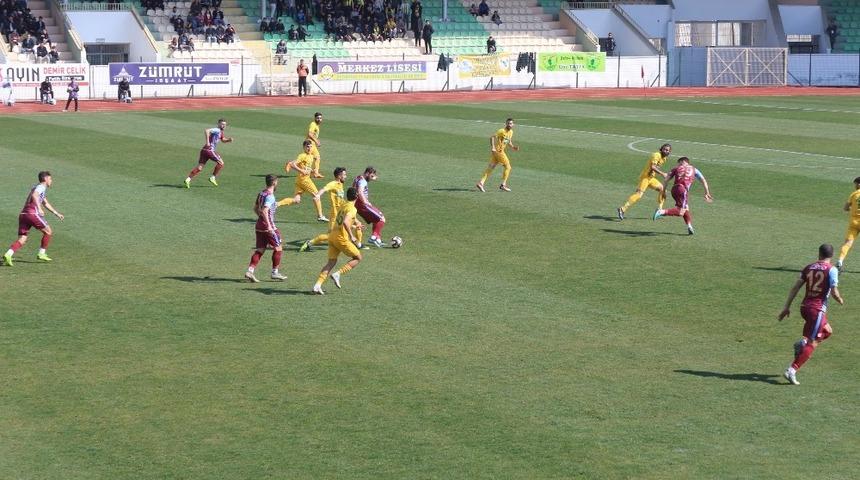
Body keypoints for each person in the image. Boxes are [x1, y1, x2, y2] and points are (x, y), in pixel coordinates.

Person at [778, 243, 843, 385]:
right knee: (813, 342)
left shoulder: (808, 267)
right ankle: (792, 370)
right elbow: (834, 291)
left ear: (819, 254)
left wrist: (786, 307)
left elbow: (795, 287)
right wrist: (840, 299)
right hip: (817, 310)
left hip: (805, 308)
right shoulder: (832, 269)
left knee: (828, 332)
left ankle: (801, 344)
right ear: (831, 256)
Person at [3, 171, 64, 266]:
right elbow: (35, 195)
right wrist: (39, 209)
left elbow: (45, 203)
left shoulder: (37, 187)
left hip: (23, 214)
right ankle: (41, 253)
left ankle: (8, 254)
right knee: (48, 232)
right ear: (46, 179)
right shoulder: (41, 187)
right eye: (50, 179)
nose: (51, 181)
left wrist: (56, 213)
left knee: (23, 238)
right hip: (32, 213)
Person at [312, 187, 363, 294]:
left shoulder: (343, 205)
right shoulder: (353, 209)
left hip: (332, 236)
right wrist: (352, 236)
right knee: (358, 258)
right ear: (357, 197)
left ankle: (317, 285)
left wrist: (355, 224)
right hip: (341, 238)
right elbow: (345, 222)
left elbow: (344, 220)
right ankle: (338, 274)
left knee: (331, 262)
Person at [300, 167, 365, 251]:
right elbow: (324, 189)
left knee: (358, 225)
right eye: (344, 175)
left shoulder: (340, 184)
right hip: (335, 215)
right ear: (339, 176)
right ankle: (309, 243)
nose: (345, 176)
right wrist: (318, 195)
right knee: (330, 235)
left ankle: (358, 244)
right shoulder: (333, 184)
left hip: (344, 211)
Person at [652, 157, 712, 235]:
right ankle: (661, 211)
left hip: (674, 190)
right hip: (682, 190)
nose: (679, 164)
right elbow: (703, 180)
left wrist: (663, 191)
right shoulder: (694, 169)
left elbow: (666, 179)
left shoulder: (675, 168)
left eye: (679, 162)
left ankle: (689, 226)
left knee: (686, 208)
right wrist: (707, 192)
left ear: (682, 161)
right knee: (680, 211)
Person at [244, 174, 288, 282]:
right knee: (278, 248)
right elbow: (264, 210)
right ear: (274, 183)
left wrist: (261, 219)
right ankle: (275, 273)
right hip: (268, 227)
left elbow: (255, 208)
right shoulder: (270, 196)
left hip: (259, 225)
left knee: (260, 250)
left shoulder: (261, 193)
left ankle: (250, 271)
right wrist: (268, 225)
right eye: (277, 182)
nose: (277, 183)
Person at [616, 143, 671, 220]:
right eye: (665, 149)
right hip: (645, 178)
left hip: (651, 179)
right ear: (661, 149)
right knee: (639, 195)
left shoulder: (664, 158)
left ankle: (659, 210)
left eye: (668, 150)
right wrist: (663, 174)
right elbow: (652, 167)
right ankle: (622, 209)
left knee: (663, 190)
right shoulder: (656, 155)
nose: (666, 151)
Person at [277, 140, 328, 222]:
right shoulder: (302, 155)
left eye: (311, 146)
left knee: (296, 200)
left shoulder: (311, 156)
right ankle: (320, 216)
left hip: (300, 180)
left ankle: (276, 204)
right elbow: (293, 164)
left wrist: (313, 172)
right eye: (307, 146)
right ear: (304, 147)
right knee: (317, 195)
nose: (309, 148)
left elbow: (307, 168)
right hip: (304, 180)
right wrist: (301, 171)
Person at [184, 118, 234, 188]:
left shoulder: (220, 132)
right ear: (218, 124)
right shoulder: (217, 130)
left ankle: (188, 179)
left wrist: (228, 140)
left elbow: (223, 139)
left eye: (225, 125)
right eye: (222, 124)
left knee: (199, 167)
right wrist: (207, 141)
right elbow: (207, 130)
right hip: (209, 150)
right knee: (221, 163)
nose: (224, 126)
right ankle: (212, 177)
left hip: (204, 150)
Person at [476, 118, 519, 192]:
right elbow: (492, 137)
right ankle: (503, 185)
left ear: (513, 124)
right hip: (499, 152)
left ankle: (481, 183)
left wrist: (513, 147)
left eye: (511, 123)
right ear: (506, 124)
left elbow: (508, 141)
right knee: (508, 167)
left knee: (491, 168)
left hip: (496, 153)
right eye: (508, 123)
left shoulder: (511, 132)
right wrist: (493, 147)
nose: (509, 125)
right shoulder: (501, 131)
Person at [353, 166, 387, 247]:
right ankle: (373, 237)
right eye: (371, 176)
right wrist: (365, 201)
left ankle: (377, 239)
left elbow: (354, 187)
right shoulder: (363, 181)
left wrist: (372, 178)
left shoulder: (358, 178)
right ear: (367, 173)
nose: (371, 178)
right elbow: (360, 191)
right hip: (362, 204)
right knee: (382, 219)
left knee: (376, 220)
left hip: (356, 204)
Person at [835, 176, 860, 271]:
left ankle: (840, 261)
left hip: (854, 223)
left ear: (858, 184)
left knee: (848, 243)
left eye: (855, 184)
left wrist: (853, 209)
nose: (854, 186)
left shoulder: (854, 194)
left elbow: (845, 208)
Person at [306, 112, 324, 178]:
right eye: (318, 118)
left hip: (311, 144)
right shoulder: (313, 124)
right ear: (315, 118)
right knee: (314, 157)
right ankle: (316, 173)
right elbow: (310, 134)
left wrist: (316, 140)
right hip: (310, 144)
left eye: (320, 118)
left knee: (314, 157)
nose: (319, 119)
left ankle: (315, 173)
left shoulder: (316, 125)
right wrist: (316, 141)